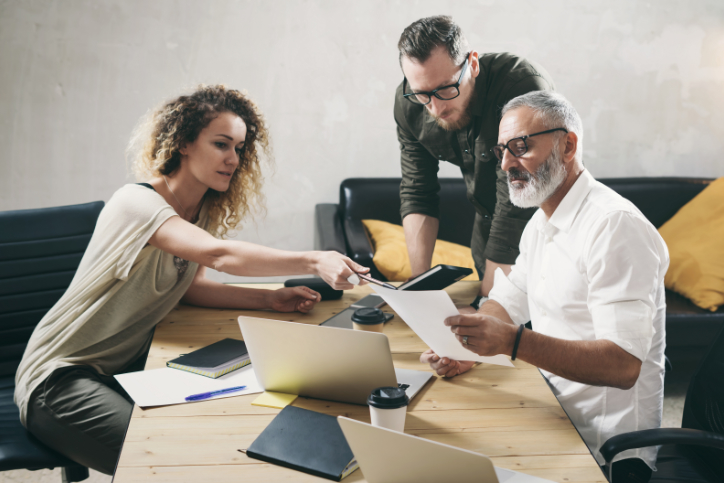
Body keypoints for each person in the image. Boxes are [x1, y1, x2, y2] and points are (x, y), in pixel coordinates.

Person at [14, 85, 368, 475]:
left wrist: (268, 301)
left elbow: (192, 286)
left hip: (122, 370)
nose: (233, 159)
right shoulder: (137, 204)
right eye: (221, 144)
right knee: (173, 464)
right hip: (58, 379)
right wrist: (314, 259)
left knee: (222, 430)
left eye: (239, 148)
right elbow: (219, 255)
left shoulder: (199, 210)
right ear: (183, 142)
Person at [421, 91, 667, 483]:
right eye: (502, 150)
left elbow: (623, 365)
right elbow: (511, 297)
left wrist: (512, 342)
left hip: (605, 450)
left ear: (567, 145)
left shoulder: (614, 226)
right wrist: (467, 345)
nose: (506, 164)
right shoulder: (542, 221)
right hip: (553, 411)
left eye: (520, 147)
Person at [394, 15, 555, 305]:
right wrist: (420, 291)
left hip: (545, 233)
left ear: (474, 64)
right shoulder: (409, 104)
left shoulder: (521, 86)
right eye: (422, 94)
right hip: (487, 233)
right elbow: (418, 190)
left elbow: (516, 199)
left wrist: (487, 304)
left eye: (446, 88)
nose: (436, 108)